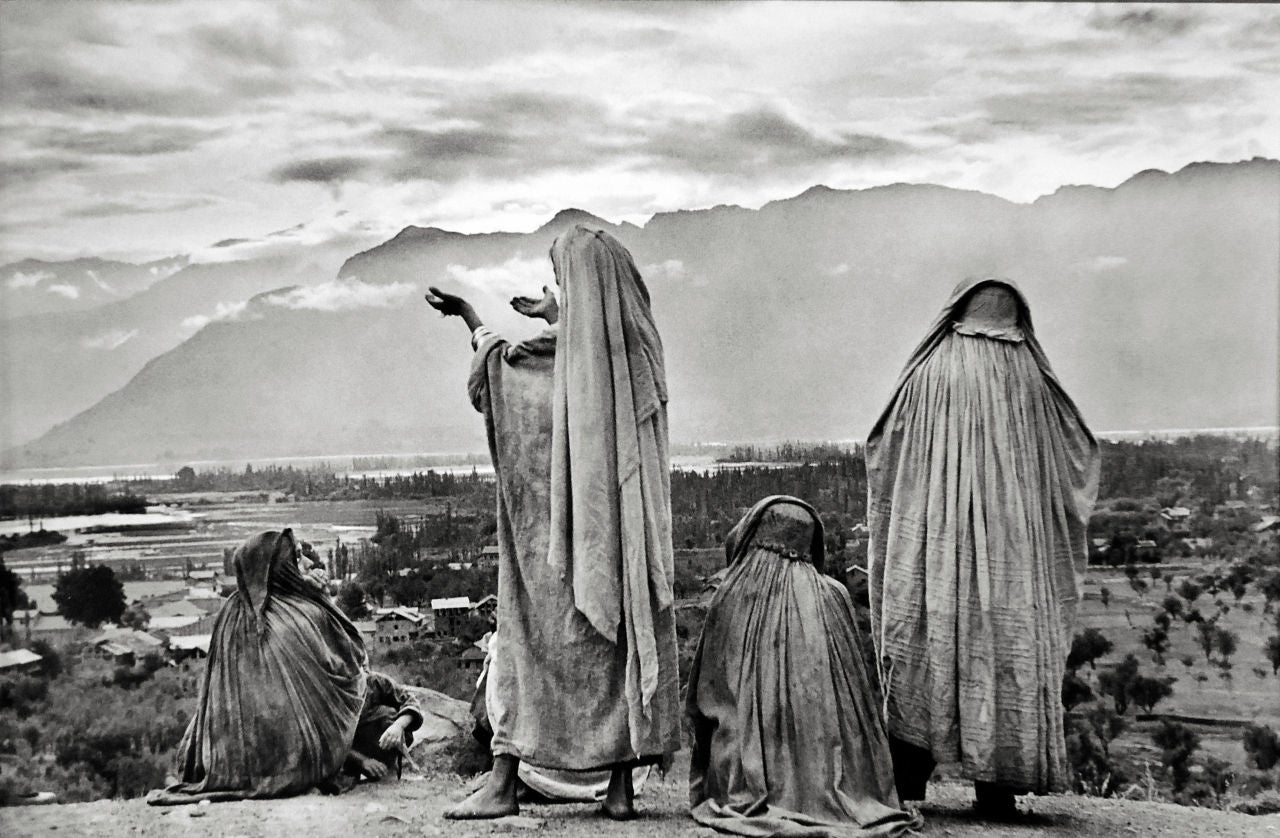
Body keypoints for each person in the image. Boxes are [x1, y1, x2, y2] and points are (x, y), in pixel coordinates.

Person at [425, 225, 681, 820]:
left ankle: (503, 782)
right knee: (615, 647)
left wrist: (469, 314)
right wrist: (563, 315)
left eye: (563, 280)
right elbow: (593, 342)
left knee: (526, 643)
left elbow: (497, 371)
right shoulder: (638, 358)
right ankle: (619, 789)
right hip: (617, 547)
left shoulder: (548, 363)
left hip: (546, 550)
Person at [866, 278, 1099, 816]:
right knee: (1004, 654)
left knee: (924, 647)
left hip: (935, 551)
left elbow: (885, 445)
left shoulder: (929, 372)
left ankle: (906, 787)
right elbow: (1076, 453)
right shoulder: (1032, 378)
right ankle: (997, 792)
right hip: (1014, 558)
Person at [686, 496, 921, 838]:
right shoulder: (834, 596)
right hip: (839, 773)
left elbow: (706, 697)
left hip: (745, 776)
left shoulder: (733, 595)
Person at [148, 529, 367, 804]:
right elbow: (350, 661)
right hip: (293, 760)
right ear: (279, 567)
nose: (306, 564)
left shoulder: (232, 611)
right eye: (297, 558)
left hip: (227, 758)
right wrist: (322, 597)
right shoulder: (302, 613)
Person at [345, 669, 424, 781]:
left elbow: (410, 701)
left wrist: (398, 726)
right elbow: (325, 740)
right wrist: (361, 760)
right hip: (343, 752)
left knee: (389, 715)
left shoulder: (375, 681)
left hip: (375, 740)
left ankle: (388, 765)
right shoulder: (326, 688)